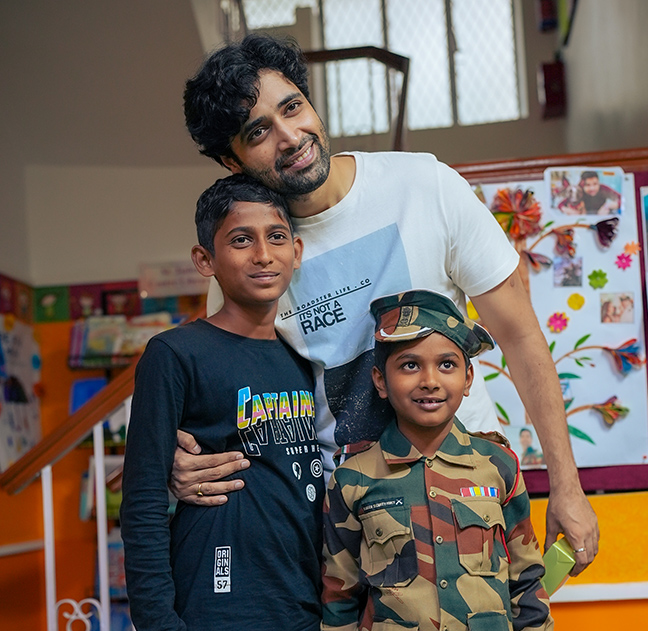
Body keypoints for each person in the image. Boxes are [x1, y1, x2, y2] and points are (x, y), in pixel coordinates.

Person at [174, 34, 598, 575]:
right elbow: (224, 390)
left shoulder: (424, 185)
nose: (290, 137)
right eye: (258, 131)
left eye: (292, 107)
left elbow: (520, 338)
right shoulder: (252, 257)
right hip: (349, 519)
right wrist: (176, 457)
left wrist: (566, 485)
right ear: (231, 160)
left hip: (467, 488)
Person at [121, 174, 326, 631]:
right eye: (241, 240)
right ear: (207, 259)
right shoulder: (175, 355)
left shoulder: (309, 358)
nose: (262, 254)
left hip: (302, 630)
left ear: (296, 250)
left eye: (275, 238)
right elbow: (143, 509)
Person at [322, 289, 565, 631]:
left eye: (447, 364)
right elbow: (338, 610)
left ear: (468, 378)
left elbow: (528, 590)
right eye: (409, 365)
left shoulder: (498, 465)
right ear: (382, 381)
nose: (430, 380)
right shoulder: (354, 479)